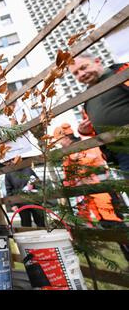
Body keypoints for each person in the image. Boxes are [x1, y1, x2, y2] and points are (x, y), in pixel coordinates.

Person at [54, 123, 129, 261]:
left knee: (115, 225)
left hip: (103, 192)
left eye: (58, 141)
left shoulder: (88, 144)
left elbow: (98, 164)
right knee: (105, 225)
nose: (58, 145)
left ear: (65, 137)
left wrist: (81, 172)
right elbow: (68, 178)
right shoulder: (67, 155)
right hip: (87, 196)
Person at [68, 53, 129, 178]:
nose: (81, 74)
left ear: (97, 61)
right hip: (120, 153)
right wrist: (85, 130)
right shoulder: (87, 99)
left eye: (84, 67)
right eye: (76, 73)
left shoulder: (121, 72)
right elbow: (95, 129)